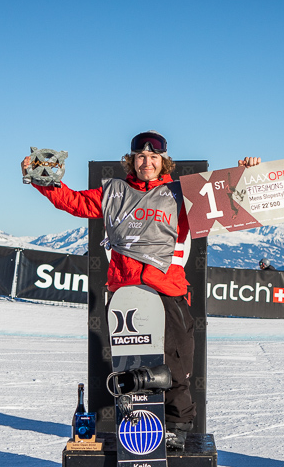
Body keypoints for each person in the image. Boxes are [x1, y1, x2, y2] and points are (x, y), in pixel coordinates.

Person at [24, 130, 261, 448]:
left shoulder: (182, 193)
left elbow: (228, 205)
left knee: (176, 364)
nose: (146, 161)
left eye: (153, 157)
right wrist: (41, 178)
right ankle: (135, 426)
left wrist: (246, 176)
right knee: (131, 367)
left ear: (164, 161)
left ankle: (177, 426)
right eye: (140, 156)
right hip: (126, 292)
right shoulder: (114, 192)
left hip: (167, 290)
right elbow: (74, 202)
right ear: (131, 160)